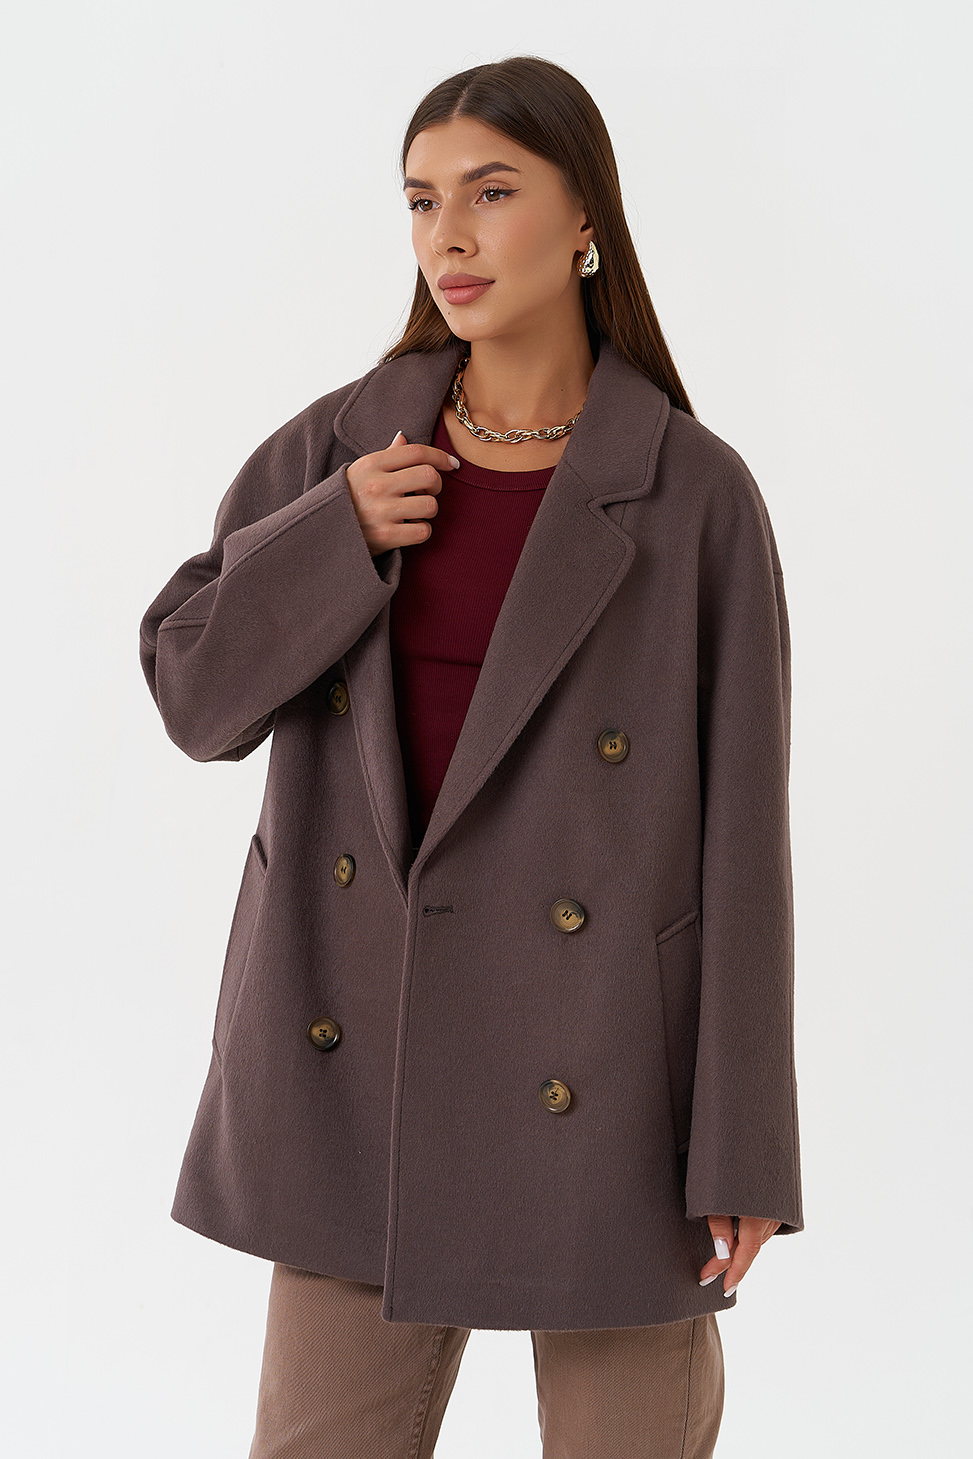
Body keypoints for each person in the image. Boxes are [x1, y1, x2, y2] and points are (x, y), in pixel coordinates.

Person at [140, 54, 804, 1459]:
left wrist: (742, 1142)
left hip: (609, 1076)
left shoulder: (694, 494)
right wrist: (332, 536)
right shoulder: (342, 448)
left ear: (585, 218)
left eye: (491, 192)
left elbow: (744, 839)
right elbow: (194, 700)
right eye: (421, 199)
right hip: (357, 1054)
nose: (448, 234)